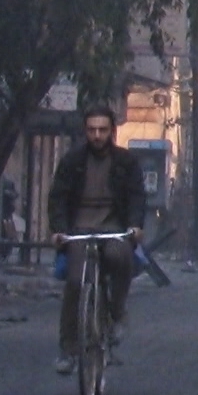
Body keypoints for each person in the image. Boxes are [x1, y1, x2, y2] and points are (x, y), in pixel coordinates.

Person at [47, 106, 147, 375]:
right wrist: (58, 230)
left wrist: (135, 226)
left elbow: (137, 197)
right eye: (92, 130)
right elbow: (57, 198)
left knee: (119, 256)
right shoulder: (72, 161)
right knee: (75, 282)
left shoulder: (126, 162)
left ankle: (117, 312)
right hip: (79, 229)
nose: (97, 135)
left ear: (112, 131)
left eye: (102, 130)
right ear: (85, 132)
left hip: (113, 227)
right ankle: (68, 349)